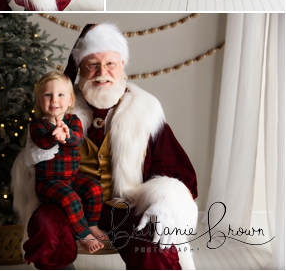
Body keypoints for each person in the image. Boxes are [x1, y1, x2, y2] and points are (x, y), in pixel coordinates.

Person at [12, 23, 198, 270]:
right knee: (46, 226)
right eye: (93, 65)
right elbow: (33, 157)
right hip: (70, 201)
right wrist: (38, 151)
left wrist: (163, 203)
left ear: (122, 65)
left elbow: (173, 167)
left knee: (153, 242)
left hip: (125, 206)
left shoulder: (145, 111)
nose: (102, 72)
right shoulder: (60, 107)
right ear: (80, 69)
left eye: (110, 63)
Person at [28, 71, 106, 254]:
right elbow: (42, 142)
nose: (54, 100)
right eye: (48, 95)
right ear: (40, 101)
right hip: (48, 183)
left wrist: (67, 134)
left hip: (72, 178)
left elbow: (78, 140)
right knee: (69, 198)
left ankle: (93, 224)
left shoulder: (73, 121)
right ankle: (84, 235)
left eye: (60, 95)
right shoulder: (38, 125)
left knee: (94, 188)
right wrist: (55, 136)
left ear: (70, 100)